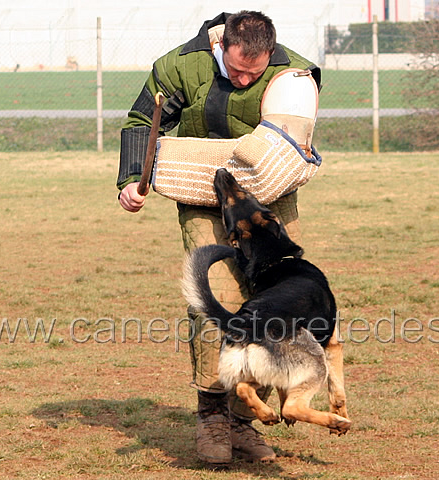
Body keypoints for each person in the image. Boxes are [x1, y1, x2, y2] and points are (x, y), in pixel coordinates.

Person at [117, 11, 321, 466]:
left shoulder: (291, 72)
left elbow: (297, 137)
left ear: (271, 53)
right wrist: (133, 178)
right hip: (200, 192)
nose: (247, 79)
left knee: (280, 300)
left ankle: (242, 419)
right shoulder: (179, 66)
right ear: (220, 47)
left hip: (270, 196)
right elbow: (139, 121)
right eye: (236, 70)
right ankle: (212, 414)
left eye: (256, 72)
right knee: (217, 298)